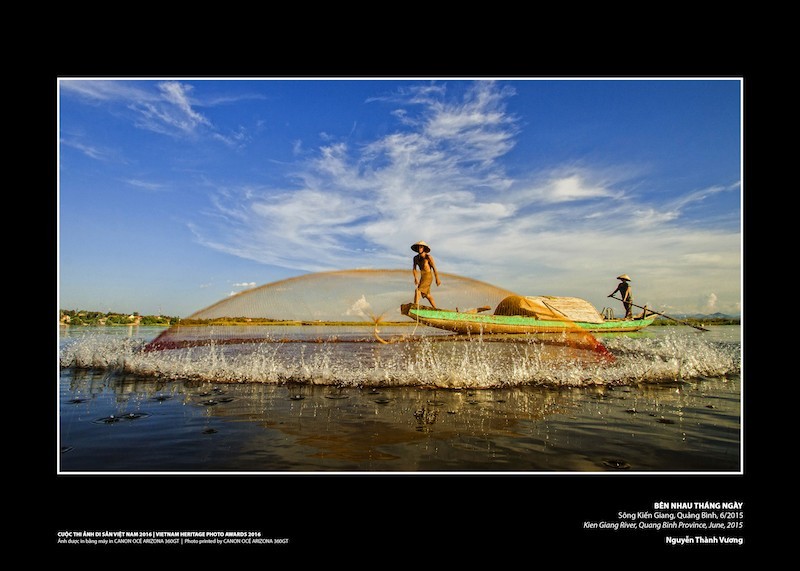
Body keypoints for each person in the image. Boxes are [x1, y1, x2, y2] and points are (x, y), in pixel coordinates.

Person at [411, 240, 441, 309]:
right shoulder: (415, 258)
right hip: (422, 277)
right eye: (418, 247)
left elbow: (434, 268)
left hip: (428, 276)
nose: (419, 249)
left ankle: (415, 308)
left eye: (421, 247)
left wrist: (437, 279)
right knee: (427, 295)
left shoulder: (428, 257)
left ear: (424, 248)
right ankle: (436, 309)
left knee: (417, 291)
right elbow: (414, 269)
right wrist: (415, 278)